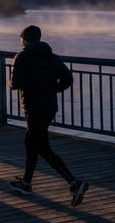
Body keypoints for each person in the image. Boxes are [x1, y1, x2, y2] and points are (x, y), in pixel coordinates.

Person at [8, 25, 89, 206]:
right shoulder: (51, 56)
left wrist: (9, 82)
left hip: (33, 107)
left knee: (43, 148)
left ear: (24, 39)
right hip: (49, 106)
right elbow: (67, 78)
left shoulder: (22, 57)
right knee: (31, 143)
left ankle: (74, 183)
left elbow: (16, 83)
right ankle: (26, 183)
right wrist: (53, 89)